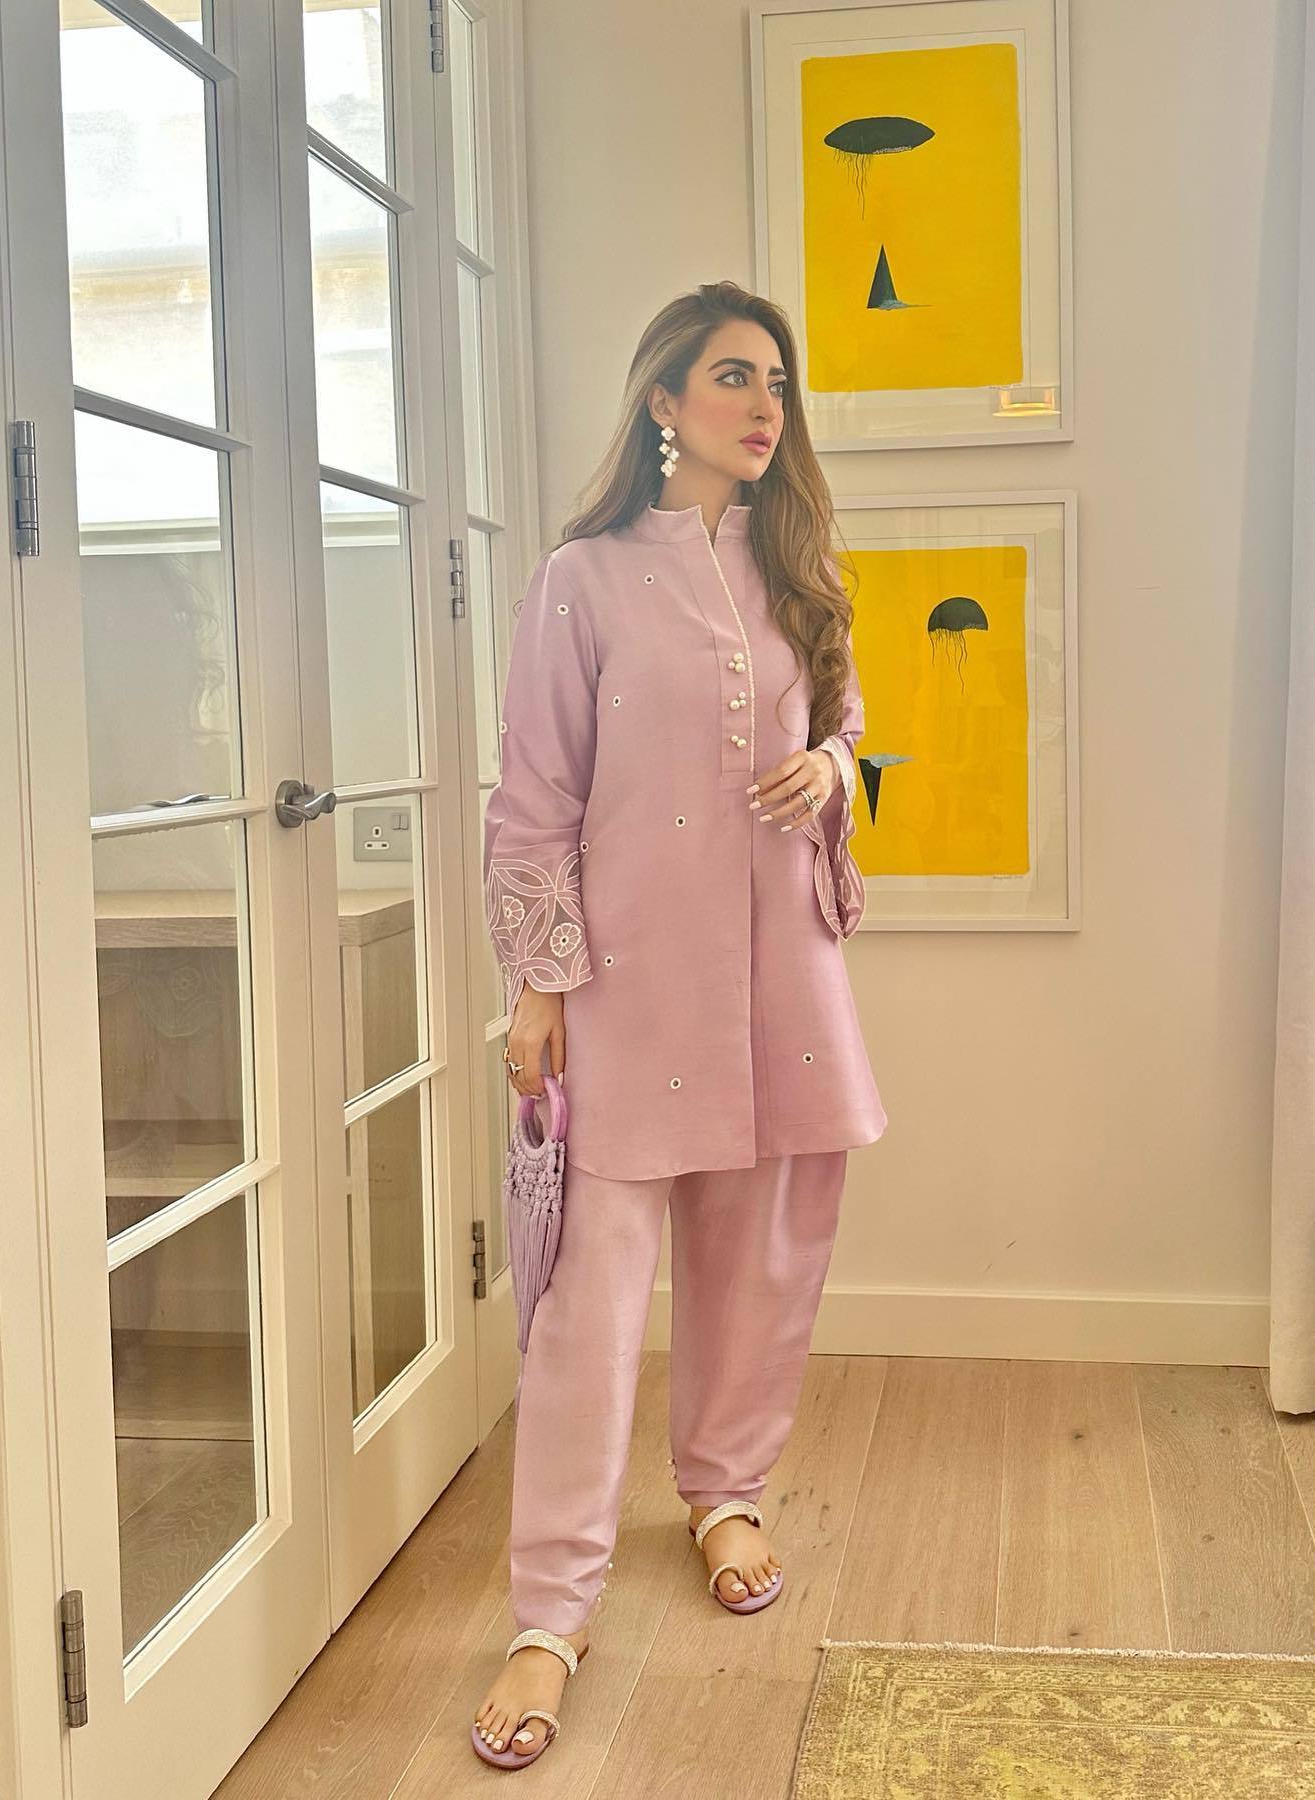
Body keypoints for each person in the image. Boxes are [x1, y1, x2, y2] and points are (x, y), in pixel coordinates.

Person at [471, 280, 887, 1769]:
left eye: (777, 381)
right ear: (662, 402)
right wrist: (538, 988)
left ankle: (725, 1490)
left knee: (764, 1249)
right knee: (589, 1302)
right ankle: (551, 1610)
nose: (765, 406)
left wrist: (830, 772)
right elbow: (535, 800)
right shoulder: (580, 582)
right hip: (627, 980)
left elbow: (846, 731)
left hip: (781, 972)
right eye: (732, 377)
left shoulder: (799, 572)